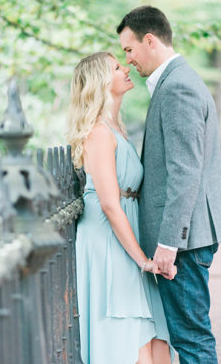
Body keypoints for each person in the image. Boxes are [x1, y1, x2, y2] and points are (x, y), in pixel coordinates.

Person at [117, 6, 221, 364]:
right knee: (190, 336)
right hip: (187, 239)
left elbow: (185, 171)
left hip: (183, 244)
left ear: (149, 40)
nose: (129, 59)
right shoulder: (176, 82)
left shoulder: (178, 88)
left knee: (192, 339)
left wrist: (168, 243)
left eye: (129, 49)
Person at [68, 52, 174, 364]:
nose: (126, 68)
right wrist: (142, 260)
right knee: (131, 340)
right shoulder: (99, 133)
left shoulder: (116, 128)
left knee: (158, 344)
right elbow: (110, 205)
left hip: (127, 236)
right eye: (117, 67)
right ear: (101, 82)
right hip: (109, 239)